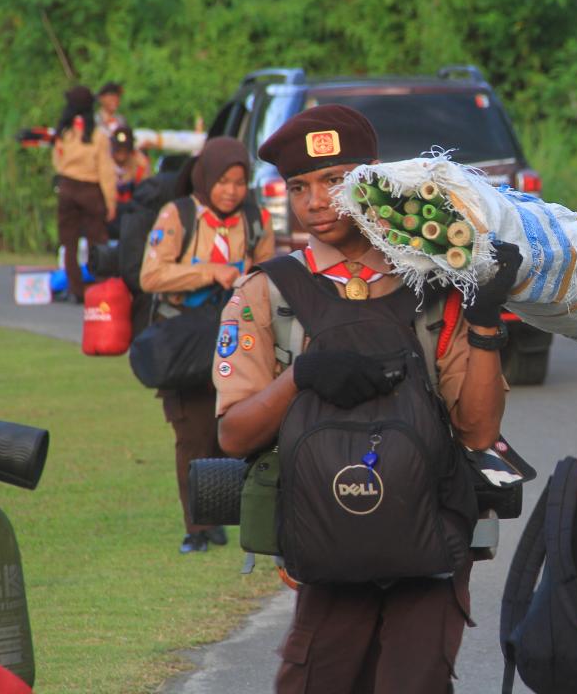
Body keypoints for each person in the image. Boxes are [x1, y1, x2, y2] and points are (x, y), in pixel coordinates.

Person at [214, 104, 515, 692]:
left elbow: (477, 433)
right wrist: (301, 378)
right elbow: (233, 434)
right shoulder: (265, 294)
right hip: (326, 543)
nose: (315, 202)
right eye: (298, 187)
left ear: (372, 181)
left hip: (433, 532)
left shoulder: (435, 283)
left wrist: (483, 322)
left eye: (334, 181)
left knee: (416, 681)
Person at [139, 137, 274, 553]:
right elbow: (151, 276)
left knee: (229, 433)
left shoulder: (256, 218)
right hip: (186, 341)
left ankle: (219, 518)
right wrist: (208, 272)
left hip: (235, 341)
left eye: (239, 182)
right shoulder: (177, 214)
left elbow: (267, 273)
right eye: (223, 181)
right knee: (193, 434)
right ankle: (195, 529)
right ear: (205, 177)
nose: (231, 191)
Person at [53, 85, 118, 303]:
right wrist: (111, 201)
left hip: (68, 188)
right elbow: (106, 171)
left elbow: (57, 162)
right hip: (91, 190)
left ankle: (75, 289)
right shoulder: (98, 136)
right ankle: (99, 287)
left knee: (69, 243)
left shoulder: (64, 133)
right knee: (96, 241)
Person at [111, 125, 152, 208]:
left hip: (132, 208)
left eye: (125, 148)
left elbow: (146, 192)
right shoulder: (105, 161)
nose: (121, 152)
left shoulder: (140, 163)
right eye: (118, 148)